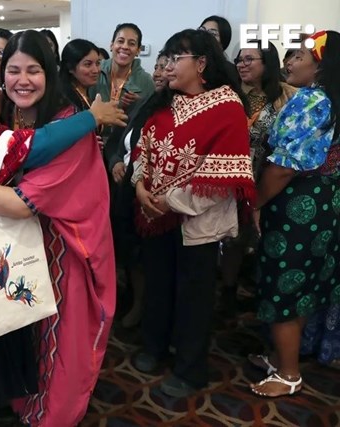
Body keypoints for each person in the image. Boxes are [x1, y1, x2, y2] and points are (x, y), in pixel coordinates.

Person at [0, 30, 119, 427]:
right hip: (12, 248)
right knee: (16, 331)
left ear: (51, 73)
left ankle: (51, 416)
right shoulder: (8, 114)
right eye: (12, 70)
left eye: (34, 70)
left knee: (57, 341)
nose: (21, 80)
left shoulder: (67, 126)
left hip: (62, 249)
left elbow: (20, 203)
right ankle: (16, 400)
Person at [130, 29, 255, 397]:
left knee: (194, 296)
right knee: (158, 285)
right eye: (165, 58)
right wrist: (140, 187)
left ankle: (189, 368)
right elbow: (143, 149)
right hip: (155, 216)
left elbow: (223, 172)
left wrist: (169, 201)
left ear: (201, 63)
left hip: (196, 221)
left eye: (175, 58)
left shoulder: (227, 105)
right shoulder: (163, 102)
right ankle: (154, 346)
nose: (167, 66)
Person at [249, 30, 340, 397]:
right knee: (305, 285)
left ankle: (288, 374)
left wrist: (255, 202)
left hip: (296, 203)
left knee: (284, 284)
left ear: (320, 65)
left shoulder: (311, 101)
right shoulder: (333, 100)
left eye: (298, 56)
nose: (289, 62)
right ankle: (283, 356)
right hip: (326, 201)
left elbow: (285, 166)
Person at [218, 41, 297, 316]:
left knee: (265, 236)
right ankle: (228, 290)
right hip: (234, 176)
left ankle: (261, 295)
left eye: (250, 59)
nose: (242, 64)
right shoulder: (231, 93)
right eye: (239, 59)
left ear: (268, 63)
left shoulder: (287, 96)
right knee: (232, 237)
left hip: (269, 178)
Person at [107, 53, 169, 328]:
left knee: (150, 259)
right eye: (156, 66)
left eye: (166, 66)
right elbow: (119, 142)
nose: (158, 72)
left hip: (155, 196)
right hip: (128, 190)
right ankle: (135, 300)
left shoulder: (176, 109)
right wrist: (116, 162)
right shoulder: (145, 104)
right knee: (129, 251)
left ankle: (148, 309)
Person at [90, 23, 155, 164]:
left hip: (123, 153)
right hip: (92, 145)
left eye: (131, 43)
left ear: (138, 50)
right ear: (111, 45)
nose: (125, 47)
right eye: (120, 41)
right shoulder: (96, 72)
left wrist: (139, 104)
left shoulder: (146, 82)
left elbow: (149, 121)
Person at [59, 39, 102, 114]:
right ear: (70, 67)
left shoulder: (86, 92)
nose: (96, 70)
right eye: (88, 64)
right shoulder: (65, 100)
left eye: (98, 63)